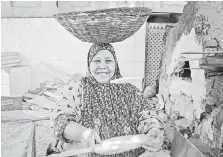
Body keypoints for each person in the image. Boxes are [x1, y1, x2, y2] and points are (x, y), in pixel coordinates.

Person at [48, 43, 168, 157]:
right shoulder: (78, 88)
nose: (103, 66)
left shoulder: (129, 90)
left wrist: (154, 130)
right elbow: (60, 120)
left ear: (115, 64)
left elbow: (147, 115)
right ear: (89, 64)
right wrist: (82, 133)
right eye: (97, 61)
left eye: (108, 61)